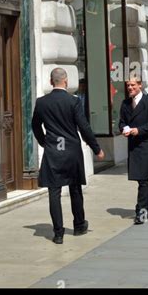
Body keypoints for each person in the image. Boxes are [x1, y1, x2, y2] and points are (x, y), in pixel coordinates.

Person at [32, 67, 105, 244]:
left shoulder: (42, 102)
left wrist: (44, 143)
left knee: (54, 192)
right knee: (75, 189)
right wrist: (97, 149)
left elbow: (35, 126)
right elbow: (84, 126)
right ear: (65, 81)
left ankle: (58, 233)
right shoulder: (73, 101)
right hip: (71, 151)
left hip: (53, 151)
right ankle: (79, 225)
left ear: (51, 82)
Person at [118, 76, 148, 224]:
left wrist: (138, 130)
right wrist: (124, 129)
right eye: (128, 85)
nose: (130, 88)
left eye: (133, 85)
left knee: (142, 179)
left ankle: (140, 213)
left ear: (140, 85)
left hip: (146, 146)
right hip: (133, 146)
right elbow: (122, 122)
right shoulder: (125, 103)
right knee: (143, 179)